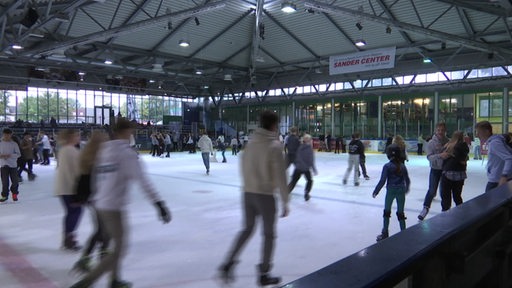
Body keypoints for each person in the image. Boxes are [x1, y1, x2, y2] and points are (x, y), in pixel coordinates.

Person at [69, 118, 171, 288]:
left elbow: (95, 175)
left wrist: (97, 196)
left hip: (99, 203)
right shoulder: (126, 153)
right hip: (113, 206)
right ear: (127, 132)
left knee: (113, 245)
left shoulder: (104, 151)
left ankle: (114, 279)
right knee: (119, 250)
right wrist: (159, 204)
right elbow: (143, 180)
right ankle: (85, 283)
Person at [219, 110, 289, 286]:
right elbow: (281, 176)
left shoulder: (251, 142)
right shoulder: (274, 145)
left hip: (247, 193)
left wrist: (248, 186)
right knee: (269, 235)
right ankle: (264, 273)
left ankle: (228, 263)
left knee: (247, 229)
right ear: (274, 125)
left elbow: (243, 165)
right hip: (265, 196)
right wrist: (286, 201)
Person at [71, 130, 110, 274]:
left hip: (96, 198)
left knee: (104, 229)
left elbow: (82, 179)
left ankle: (100, 255)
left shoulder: (89, 154)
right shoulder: (98, 157)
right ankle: (89, 258)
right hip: (100, 199)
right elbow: (88, 180)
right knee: (103, 229)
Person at [372, 145, 411, 242]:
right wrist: (406, 189)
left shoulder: (387, 166)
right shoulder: (402, 166)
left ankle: (385, 232)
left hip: (391, 191)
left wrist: (376, 191)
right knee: (400, 213)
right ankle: (404, 233)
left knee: (387, 212)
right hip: (401, 190)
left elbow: (382, 180)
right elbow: (407, 180)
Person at [54, 129, 82, 250]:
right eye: (76, 135)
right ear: (71, 137)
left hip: (63, 187)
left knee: (71, 212)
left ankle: (67, 238)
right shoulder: (72, 151)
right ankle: (69, 238)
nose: (78, 137)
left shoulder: (63, 150)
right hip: (70, 188)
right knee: (75, 212)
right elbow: (78, 170)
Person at [418, 123, 450, 221]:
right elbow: (429, 157)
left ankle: (445, 210)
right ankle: (425, 208)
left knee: (445, 192)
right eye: (439, 130)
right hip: (435, 170)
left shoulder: (448, 141)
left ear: (445, 131)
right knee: (432, 190)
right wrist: (440, 155)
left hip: (445, 170)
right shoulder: (431, 143)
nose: (440, 132)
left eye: (442, 130)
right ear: (435, 131)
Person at [475, 121, 512, 192]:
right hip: (497, 179)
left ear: (487, 131)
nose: (477, 135)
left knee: (488, 202)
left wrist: (504, 175)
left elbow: (509, 158)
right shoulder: (495, 141)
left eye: (478, 132)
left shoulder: (494, 143)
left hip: (497, 181)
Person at [440, 131, 469, 211]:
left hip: (448, 172)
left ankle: (445, 212)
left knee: (446, 196)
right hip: (460, 174)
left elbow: (443, 156)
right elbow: (463, 159)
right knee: (457, 196)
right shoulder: (464, 146)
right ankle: (461, 212)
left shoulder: (449, 145)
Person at [288, 134, 317, 201]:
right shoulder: (310, 149)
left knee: (294, 181)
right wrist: (314, 170)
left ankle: (286, 191)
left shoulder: (300, 147)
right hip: (305, 168)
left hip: (298, 167)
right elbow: (311, 161)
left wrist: (299, 164)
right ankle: (306, 193)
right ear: (309, 141)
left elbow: (297, 157)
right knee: (309, 181)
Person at [0, 129, 21, 203]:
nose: (7, 136)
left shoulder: (14, 144)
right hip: (3, 165)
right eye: (5, 135)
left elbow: (18, 154)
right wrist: (1, 156)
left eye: (8, 135)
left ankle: (14, 193)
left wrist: (10, 155)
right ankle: (4, 195)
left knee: (15, 181)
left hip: (13, 165)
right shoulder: (0, 143)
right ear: (3, 134)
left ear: (11, 135)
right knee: (5, 182)